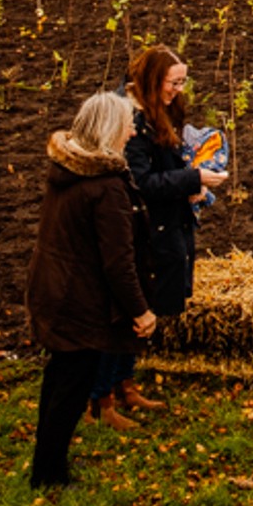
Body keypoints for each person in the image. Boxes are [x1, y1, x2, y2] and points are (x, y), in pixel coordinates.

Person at [87, 46, 226, 429]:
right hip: (141, 228)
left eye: (182, 83)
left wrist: (191, 178)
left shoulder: (155, 109)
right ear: (152, 80)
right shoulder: (129, 120)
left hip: (162, 224)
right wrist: (192, 179)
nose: (178, 91)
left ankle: (125, 385)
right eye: (173, 83)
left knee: (147, 308)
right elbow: (141, 181)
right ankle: (102, 399)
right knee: (128, 316)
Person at [25, 91, 156, 489]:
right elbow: (118, 262)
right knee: (72, 386)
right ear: (111, 128)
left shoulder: (67, 171)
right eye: (128, 123)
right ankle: (50, 475)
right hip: (79, 301)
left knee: (58, 377)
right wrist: (141, 311)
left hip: (51, 288)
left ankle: (46, 463)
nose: (133, 130)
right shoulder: (106, 187)